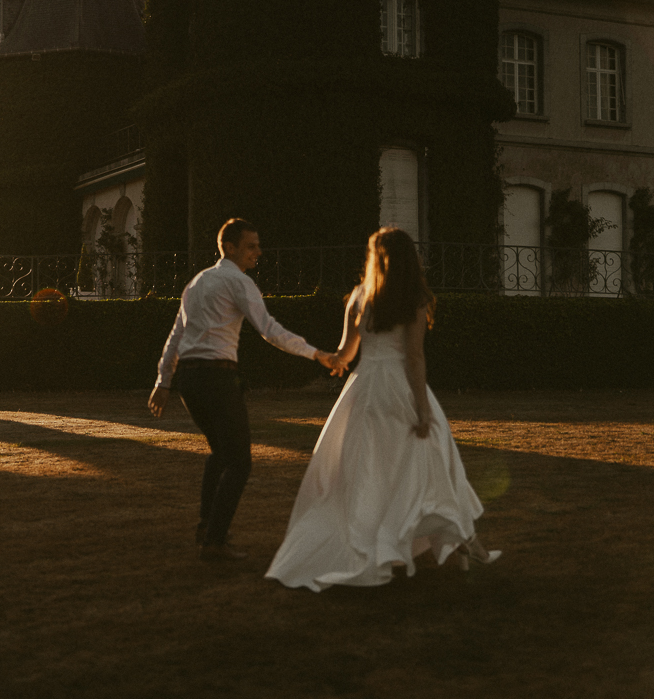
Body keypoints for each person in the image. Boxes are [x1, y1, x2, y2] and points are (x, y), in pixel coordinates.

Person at [265, 227, 500, 590]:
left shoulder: (360, 298)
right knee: (433, 466)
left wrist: (328, 359)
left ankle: (392, 540)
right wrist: (421, 409)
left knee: (367, 472)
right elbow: (414, 357)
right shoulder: (413, 298)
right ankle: (465, 544)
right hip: (399, 389)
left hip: (365, 389)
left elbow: (346, 353)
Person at [149, 218, 338, 561]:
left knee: (221, 454)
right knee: (239, 461)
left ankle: (207, 528)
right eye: (251, 246)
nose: (258, 252)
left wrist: (164, 381)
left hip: (189, 383)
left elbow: (176, 335)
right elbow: (269, 329)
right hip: (217, 378)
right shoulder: (238, 281)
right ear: (231, 247)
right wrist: (316, 353)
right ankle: (214, 540)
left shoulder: (196, 282)